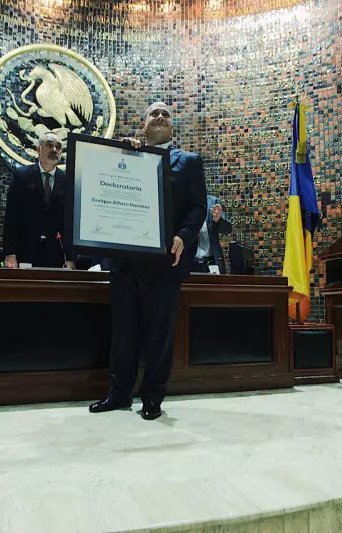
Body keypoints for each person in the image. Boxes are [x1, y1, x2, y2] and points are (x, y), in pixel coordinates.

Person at [89, 102, 207, 420]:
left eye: (165, 114)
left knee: (159, 335)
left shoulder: (189, 162)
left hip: (165, 264)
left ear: (172, 126)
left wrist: (183, 235)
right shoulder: (129, 153)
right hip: (125, 263)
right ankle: (119, 394)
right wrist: (122, 153)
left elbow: (198, 208)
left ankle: (152, 398)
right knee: (123, 334)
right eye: (153, 113)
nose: (159, 117)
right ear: (143, 125)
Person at [3, 133, 74, 269]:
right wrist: (10, 253)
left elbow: (69, 224)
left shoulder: (67, 182)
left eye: (58, 147)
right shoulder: (22, 176)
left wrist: (70, 257)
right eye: (49, 144)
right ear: (38, 149)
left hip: (56, 256)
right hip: (25, 252)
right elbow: (11, 217)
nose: (54, 149)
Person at [190, 194, 232, 274]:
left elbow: (227, 230)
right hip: (189, 262)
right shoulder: (184, 202)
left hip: (211, 262)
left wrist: (218, 220)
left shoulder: (214, 202)